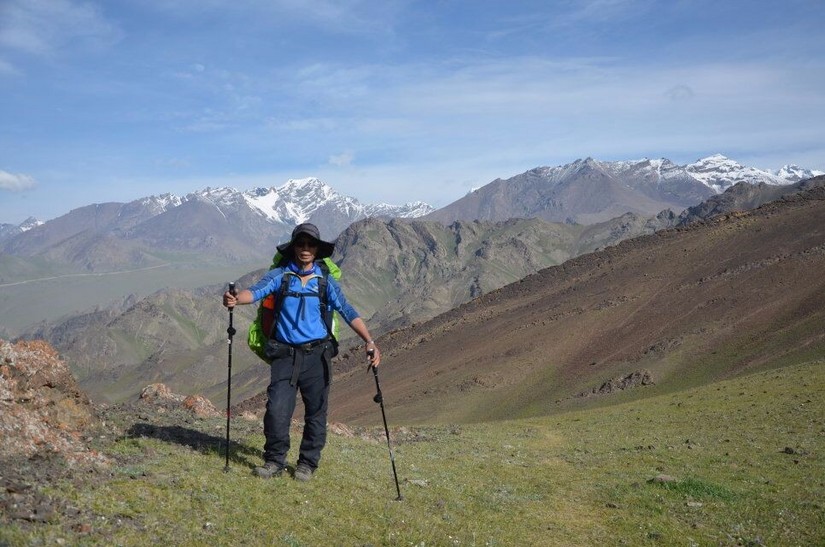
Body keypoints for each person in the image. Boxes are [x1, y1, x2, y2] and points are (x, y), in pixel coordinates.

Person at [222, 223, 380, 481]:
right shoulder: (280, 275)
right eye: (301, 244)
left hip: (318, 355)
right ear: (294, 247)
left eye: (310, 245)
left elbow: (347, 311)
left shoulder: (324, 282)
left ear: (317, 250)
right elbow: (256, 291)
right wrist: (235, 299)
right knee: (276, 409)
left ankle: (307, 464)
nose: (305, 249)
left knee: (316, 412)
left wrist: (369, 340)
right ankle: (274, 460)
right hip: (285, 355)